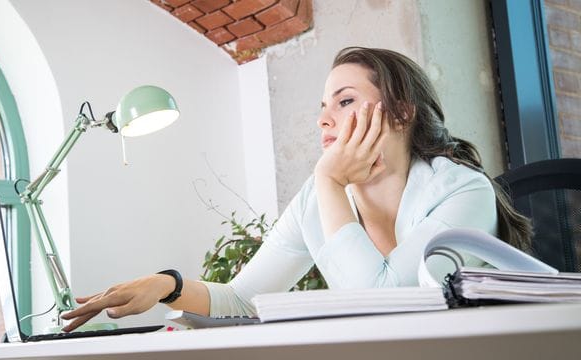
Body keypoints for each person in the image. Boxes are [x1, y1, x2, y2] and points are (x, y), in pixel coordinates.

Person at [61, 47, 531, 332]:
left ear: (401, 113)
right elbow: (245, 299)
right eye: (322, 106)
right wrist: (168, 285)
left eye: (345, 101)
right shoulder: (317, 198)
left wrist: (329, 180)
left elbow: (382, 303)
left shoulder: (461, 190)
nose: (324, 119)